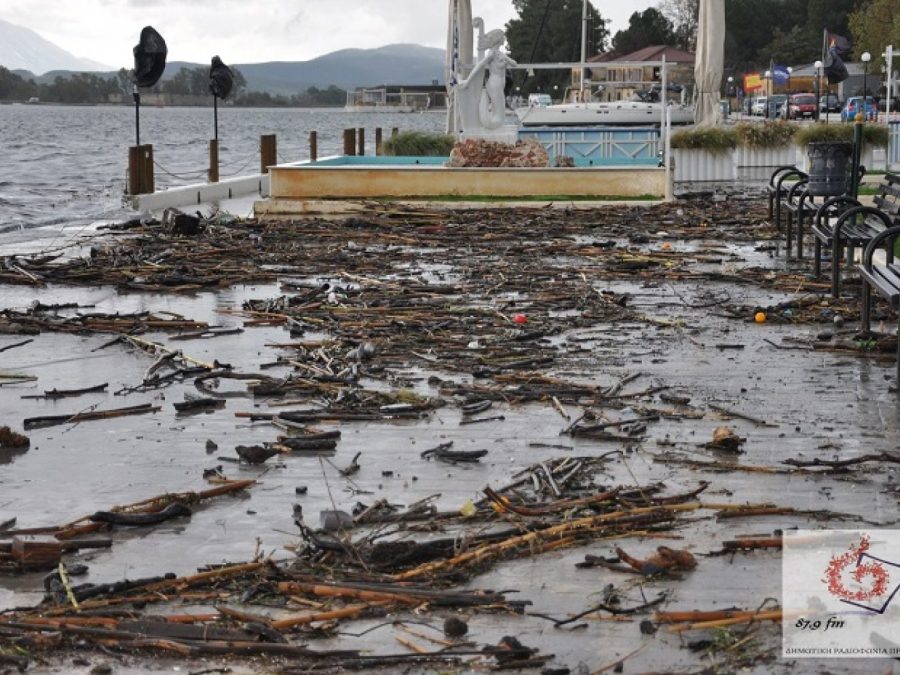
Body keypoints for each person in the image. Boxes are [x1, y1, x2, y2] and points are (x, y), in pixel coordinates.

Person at [457, 28, 517, 131]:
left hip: (499, 84)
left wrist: (505, 59)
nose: (504, 38)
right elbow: (479, 66)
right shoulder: (491, 54)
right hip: (494, 84)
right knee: (500, 113)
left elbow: (514, 64)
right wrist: (468, 81)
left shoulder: (500, 54)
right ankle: (490, 125)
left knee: (499, 112)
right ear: (498, 39)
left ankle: (493, 127)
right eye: (503, 36)